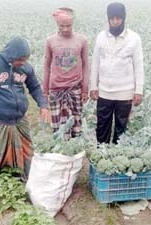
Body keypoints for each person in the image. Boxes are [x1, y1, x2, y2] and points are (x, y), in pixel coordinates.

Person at [0, 36, 50, 211]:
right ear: (10, 55)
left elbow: (35, 87)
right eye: (20, 59)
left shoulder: (25, 68)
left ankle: (29, 186)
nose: (23, 63)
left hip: (20, 120)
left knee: (28, 153)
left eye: (25, 60)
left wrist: (43, 105)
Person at [90, 2, 144, 144]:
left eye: (118, 18)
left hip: (125, 92)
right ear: (108, 19)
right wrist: (93, 87)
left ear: (123, 19)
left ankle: (117, 158)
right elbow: (95, 62)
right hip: (104, 91)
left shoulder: (134, 38)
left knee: (121, 130)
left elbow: (139, 66)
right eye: (112, 18)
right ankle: (101, 156)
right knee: (102, 127)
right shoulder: (101, 37)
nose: (115, 22)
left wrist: (139, 91)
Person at [43, 7, 89, 138]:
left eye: (68, 25)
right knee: (58, 129)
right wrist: (45, 92)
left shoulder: (82, 40)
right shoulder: (50, 41)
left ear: (73, 23)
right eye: (61, 26)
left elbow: (86, 65)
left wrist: (85, 89)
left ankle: (74, 154)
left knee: (76, 125)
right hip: (56, 90)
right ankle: (61, 155)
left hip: (75, 90)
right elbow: (46, 66)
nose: (65, 29)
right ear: (57, 24)